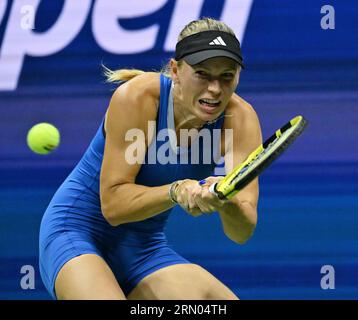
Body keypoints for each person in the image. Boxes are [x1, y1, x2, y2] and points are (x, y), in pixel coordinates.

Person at [39, 17, 262, 300]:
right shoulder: (138, 97)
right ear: (176, 70)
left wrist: (227, 201)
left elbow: (241, 232)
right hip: (76, 231)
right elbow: (114, 206)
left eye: (226, 76)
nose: (215, 89)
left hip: (143, 248)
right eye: (202, 74)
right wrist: (177, 191)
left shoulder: (240, 120)